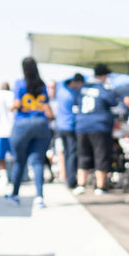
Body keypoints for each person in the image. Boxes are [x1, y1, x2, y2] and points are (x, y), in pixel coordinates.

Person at [7, 57, 53, 207]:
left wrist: (12, 108)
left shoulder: (20, 83)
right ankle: (39, 197)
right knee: (38, 161)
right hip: (41, 124)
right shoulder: (42, 85)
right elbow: (47, 108)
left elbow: (16, 104)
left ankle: (15, 194)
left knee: (19, 161)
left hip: (22, 124)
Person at [74, 63, 116, 195]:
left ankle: (81, 184)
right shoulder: (103, 88)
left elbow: (76, 105)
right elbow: (113, 102)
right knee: (101, 155)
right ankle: (100, 186)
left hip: (82, 125)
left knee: (83, 154)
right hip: (99, 125)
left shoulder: (82, 88)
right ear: (104, 76)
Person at [55, 72, 85, 190]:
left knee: (67, 153)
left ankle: (68, 178)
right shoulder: (72, 95)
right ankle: (71, 180)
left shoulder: (61, 90)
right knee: (72, 154)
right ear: (76, 83)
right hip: (70, 126)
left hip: (61, 126)